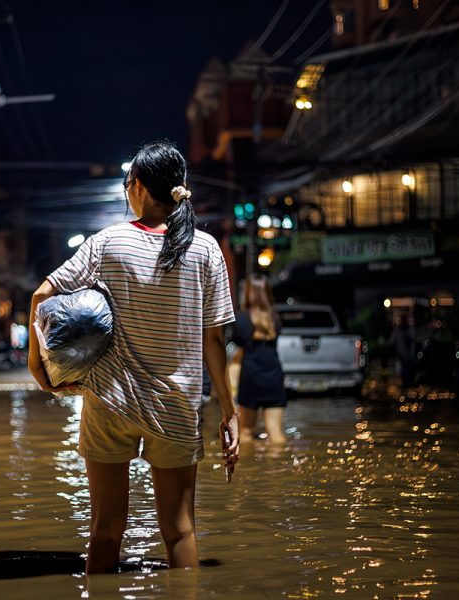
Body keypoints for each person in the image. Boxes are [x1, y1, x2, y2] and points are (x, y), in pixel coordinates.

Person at [28, 141, 239, 574]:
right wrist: (229, 412)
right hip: (177, 407)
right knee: (180, 531)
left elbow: (41, 295)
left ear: (138, 187)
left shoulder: (108, 242)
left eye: (128, 184)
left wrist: (39, 366)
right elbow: (214, 342)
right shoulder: (206, 249)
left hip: (110, 401)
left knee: (105, 529)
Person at [231, 274, 287, 444]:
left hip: (251, 377)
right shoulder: (275, 318)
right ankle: (278, 467)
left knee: (246, 431)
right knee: (275, 432)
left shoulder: (240, 319)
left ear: (248, 292)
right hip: (274, 377)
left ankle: (247, 468)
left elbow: (236, 347)